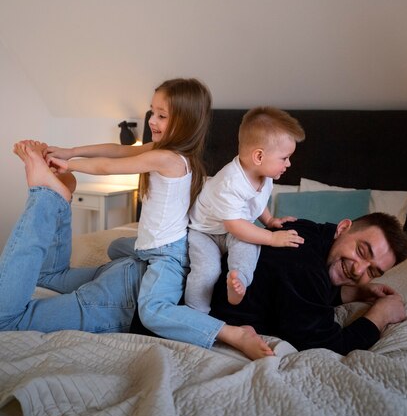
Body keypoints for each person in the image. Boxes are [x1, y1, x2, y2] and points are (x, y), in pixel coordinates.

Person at [1, 82, 273, 360]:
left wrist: (69, 165)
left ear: (186, 121)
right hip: (139, 261)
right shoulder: (166, 152)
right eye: (152, 112)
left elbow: (109, 166)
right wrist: (70, 151)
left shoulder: (169, 159)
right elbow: (116, 151)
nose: (152, 121)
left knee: (153, 309)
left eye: (162, 115)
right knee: (52, 276)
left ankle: (232, 333)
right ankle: (56, 196)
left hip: (165, 260)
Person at [209, 214, 407, 354]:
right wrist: (380, 315)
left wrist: (355, 293)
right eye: (361, 251)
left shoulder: (308, 230)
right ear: (343, 228)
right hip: (209, 315)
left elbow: (296, 296)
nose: (358, 271)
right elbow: (330, 346)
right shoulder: (305, 267)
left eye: (372, 271)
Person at [184, 107, 305, 313]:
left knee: (249, 249)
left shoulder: (265, 175)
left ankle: (237, 283)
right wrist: (272, 237)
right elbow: (236, 225)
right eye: (284, 158)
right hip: (205, 232)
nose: (289, 163)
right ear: (259, 156)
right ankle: (196, 311)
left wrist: (269, 221)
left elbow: (256, 202)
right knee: (208, 270)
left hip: (232, 228)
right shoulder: (229, 182)